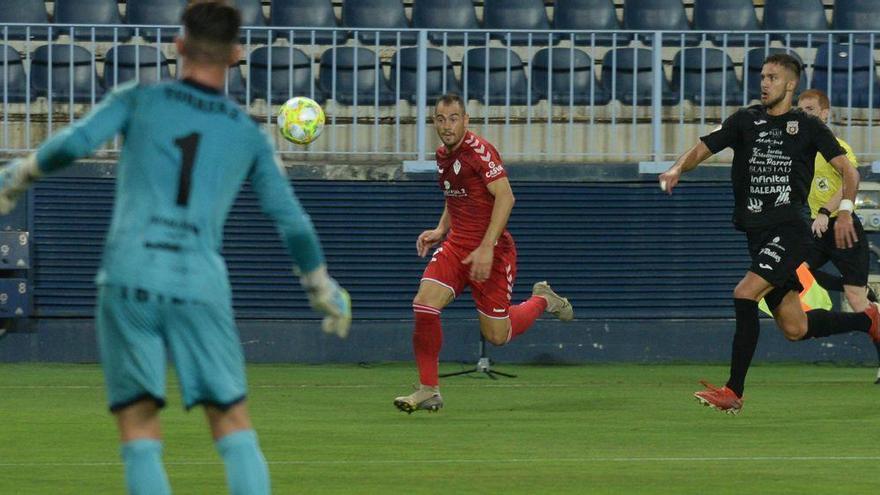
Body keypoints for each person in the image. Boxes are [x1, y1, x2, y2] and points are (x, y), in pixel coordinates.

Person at [0, 2, 351, 494]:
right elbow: (291, 219)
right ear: (236, 54)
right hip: (198, 285)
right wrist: (320, 286)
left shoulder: (139, 99)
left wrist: (17, 175)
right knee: (231, 420)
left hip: (129, 277)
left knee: (139, 423)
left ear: (178, 45)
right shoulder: (248, 134)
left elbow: (74, 143)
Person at [659, 53, 880, 415]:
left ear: (790, 84)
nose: (764, 83)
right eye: (762, 76)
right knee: (795, 328)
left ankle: (733, 391)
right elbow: (704, 148)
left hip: (791, 231)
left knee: (744, 293)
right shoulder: (745, 119)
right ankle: (867, 320)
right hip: (757, 234)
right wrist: (677, 168)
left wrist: (844, 212)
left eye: (772, 77)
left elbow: (849, 173)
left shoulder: (807, 126)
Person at [393, 94, 574, 414]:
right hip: (457, 248)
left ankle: (543, 299)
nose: (446, 126)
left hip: (493, 251)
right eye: (440, 119)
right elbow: (455, 196)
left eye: (453, 118)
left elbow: (506, 198)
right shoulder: (442, 155)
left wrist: (487, 248)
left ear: (466, 120)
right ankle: (428, 389)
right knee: (424, 304)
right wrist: (440, 231)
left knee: (497, 336)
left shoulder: (480, 152)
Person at [797, 88, 880, 378]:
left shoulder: (837, 146)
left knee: (859, 304)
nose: (804, 114)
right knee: (794, 271)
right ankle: (854, 287)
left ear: (824, 113)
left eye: (810, 109)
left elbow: (849, 182)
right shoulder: (800, 151)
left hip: (843, 227)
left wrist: (823, 212)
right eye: (800, 109)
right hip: (817, 230)